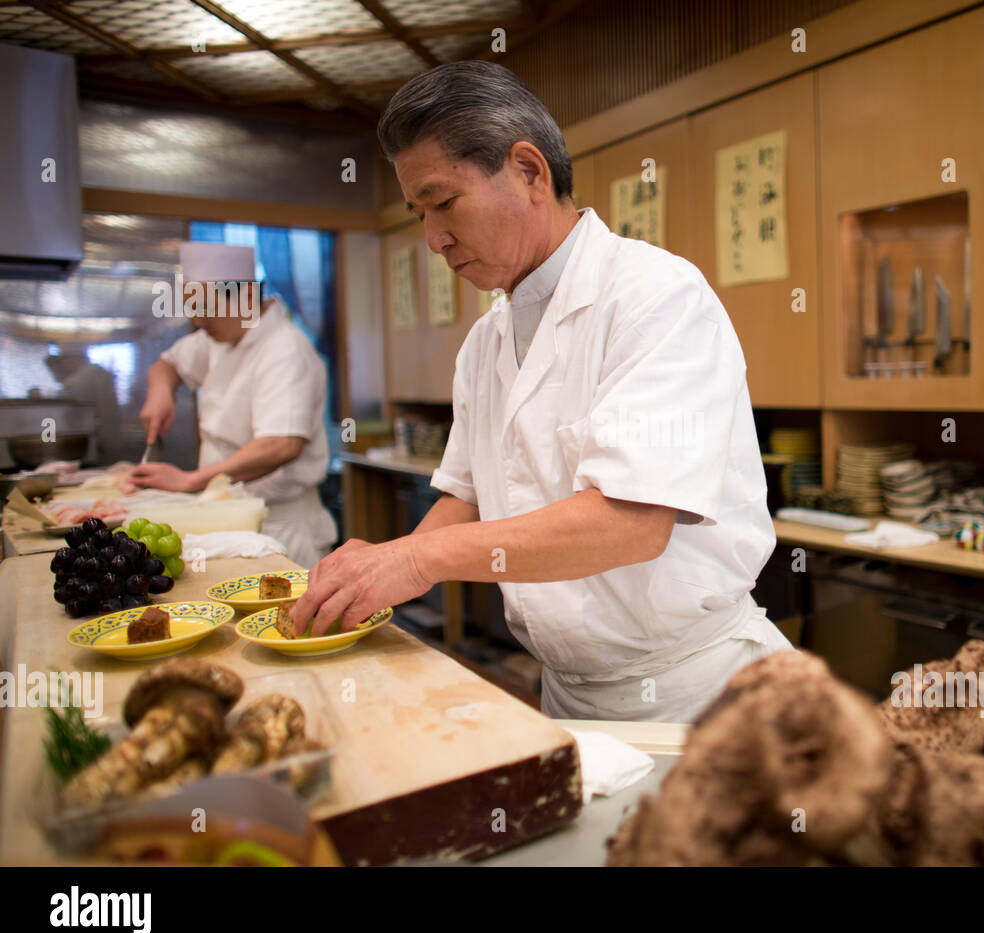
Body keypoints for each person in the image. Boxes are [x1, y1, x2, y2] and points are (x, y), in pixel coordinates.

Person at [292, 61, 792, 721]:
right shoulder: (485, 343)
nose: (434, 239)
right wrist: (378, 573)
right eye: (420, 214)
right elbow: (466, 495)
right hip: (563, 690)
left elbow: (631, 523)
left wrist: (419, 558)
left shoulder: (654, 297)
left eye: (444, 203)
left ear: (529, 172)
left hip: (693, 694)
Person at [132, 242, 337, 567]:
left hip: (277, 525)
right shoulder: (220, 336)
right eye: (192, 308)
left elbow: (281, 444)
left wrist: (189, 481)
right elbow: (167, 365)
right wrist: (161, 392)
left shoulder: (285, 350)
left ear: (245, 299)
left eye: (204, 308)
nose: (198, 320)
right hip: (226, 515)